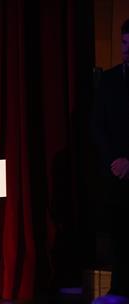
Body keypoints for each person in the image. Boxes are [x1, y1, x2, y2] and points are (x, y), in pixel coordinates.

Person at [94, 18, 129, 298]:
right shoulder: (109, 79)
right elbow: (98, 126)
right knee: (118, 233)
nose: (126, 49)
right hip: (116, 173)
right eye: (124, 43)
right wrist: (115, 161)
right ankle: (119, 288)